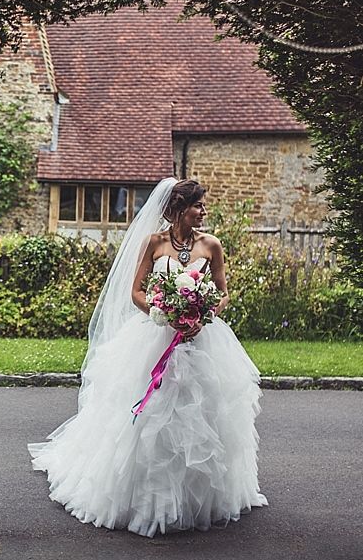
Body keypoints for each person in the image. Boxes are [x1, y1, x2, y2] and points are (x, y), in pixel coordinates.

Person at [28, 178, 267, 537]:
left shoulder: (211, 245)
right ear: (178, 209)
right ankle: (145, 496)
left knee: (202, 415)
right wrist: (163, 312)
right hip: (156, 337)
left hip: (202, 339)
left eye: (203, 206)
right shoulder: (153, 243)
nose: (204, 211)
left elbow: (222, 292)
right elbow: (136, 291)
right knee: (150, 416)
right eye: (198, 206)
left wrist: (203, 314)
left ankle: (200, 496)